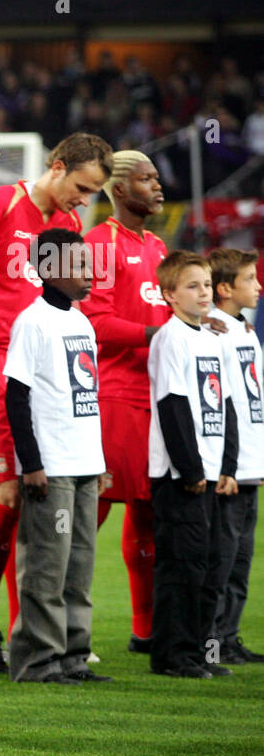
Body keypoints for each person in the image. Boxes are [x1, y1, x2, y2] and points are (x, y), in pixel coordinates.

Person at [0, 134, 112, 649]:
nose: (85, 200)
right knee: (5, 495)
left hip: (46, 373)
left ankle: (33, 632)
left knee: (31, 508)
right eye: (82, 187)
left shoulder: (71, 226)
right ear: (56, 168)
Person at [3, 229, 110, 683]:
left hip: (84, 463)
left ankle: (73, 655)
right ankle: (38, 660)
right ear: (48, 270)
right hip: (54, 467)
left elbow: (85, 394)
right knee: (48, 564)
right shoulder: (33, 322)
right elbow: (16, 395)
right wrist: (31, 464)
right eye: (80, 266)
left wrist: (99, 460)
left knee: (80, 564)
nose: (91, 274)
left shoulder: (82, 322)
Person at [79, 151, 168, 655]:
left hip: (156, 397)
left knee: (150, 511)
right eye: (146, 179)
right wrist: (163, 334)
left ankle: (145, 629)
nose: (158, 186)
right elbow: (96, 324)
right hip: (113, 395)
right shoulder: (97, 243)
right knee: (92, 513)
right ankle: (70, 632)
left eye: (157, 177)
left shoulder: (155, 245)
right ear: (117, 187)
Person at [147, 251, 238, 679]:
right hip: (179, 476)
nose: (203, 293)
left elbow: (226, 405)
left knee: (207, 565)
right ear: (169, 295)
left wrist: (228, 466)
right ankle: (172, 655)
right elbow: (172, 406)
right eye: (192, 286)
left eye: (206, 285)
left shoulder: (211, 338)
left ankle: (201, 651)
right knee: (180, 567)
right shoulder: (171, 338)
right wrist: (190, 469)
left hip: (209, 473)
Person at [205, 248, 264, 664]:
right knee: (221, 561)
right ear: (226, 289)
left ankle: (229, 638)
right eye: (250, 279)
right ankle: (210, 642)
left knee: (241, 561)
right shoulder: (216, 331)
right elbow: (219, 401)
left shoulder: (244, 329)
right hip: (231, 465)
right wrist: (225, 463)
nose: (258, 286)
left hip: (251, 463)